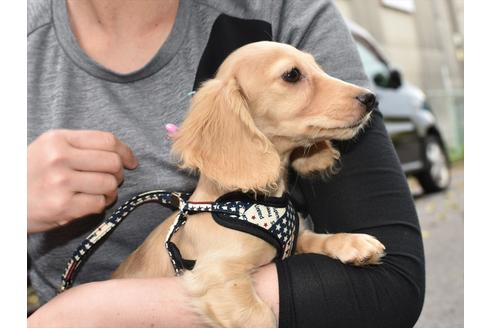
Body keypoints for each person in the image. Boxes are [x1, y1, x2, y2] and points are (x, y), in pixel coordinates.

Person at [27, 0, 425, 327]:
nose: (355, 92)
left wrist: (83, 313)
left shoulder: (283, 10)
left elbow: (389, 283)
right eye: (292, 77)